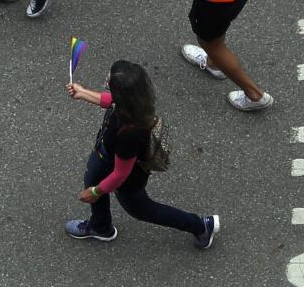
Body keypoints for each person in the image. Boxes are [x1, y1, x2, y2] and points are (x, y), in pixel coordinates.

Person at [65, 59, 219, 247]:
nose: (107, 78)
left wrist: (96, 192)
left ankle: (200, 225)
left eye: (110, 79)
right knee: (92, 178)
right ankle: (100, 227)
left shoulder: (129, 134)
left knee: (142, 210)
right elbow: (111, 101)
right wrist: (83, 93)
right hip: (105, 155)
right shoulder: (135, 103)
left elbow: (121, 174)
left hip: (125, 177)